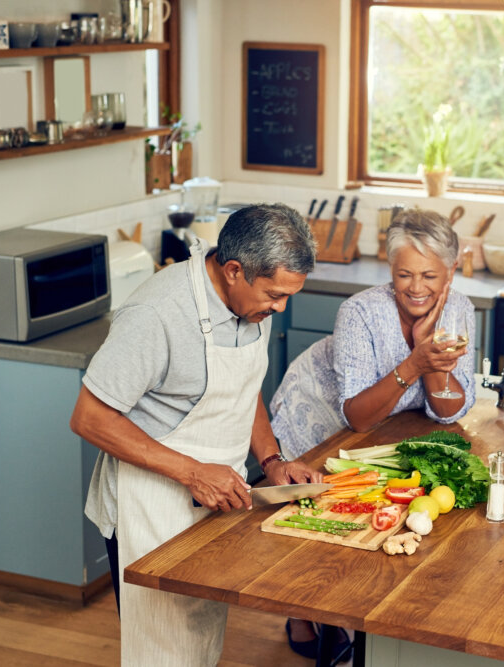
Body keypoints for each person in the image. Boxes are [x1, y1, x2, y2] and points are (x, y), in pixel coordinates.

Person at [70, 203, 321, 666]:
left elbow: (244, 390)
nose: (281, 307)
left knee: (200, 639)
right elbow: (89, 418)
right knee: (162, 651)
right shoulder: (157, 313)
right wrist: (192, 473)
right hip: (150, 506)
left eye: (289, 296)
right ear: (233, 271)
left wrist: (271, 461)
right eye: (273, 294)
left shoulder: (253, 307)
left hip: (214, 500)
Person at [269, 208, 475, 658]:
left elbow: (449, 412)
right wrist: (417, 362)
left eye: (429, 276)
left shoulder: (458, 311)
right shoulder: (360, 312)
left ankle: (352, 619)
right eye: (404, 274)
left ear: (452, 271)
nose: (416, 288)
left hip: (377, 433)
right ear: (390, 269)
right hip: (317, 417)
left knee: (362, 525)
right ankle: (304, 612)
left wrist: (432, 360)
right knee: (322, 520)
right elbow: (357, 415)